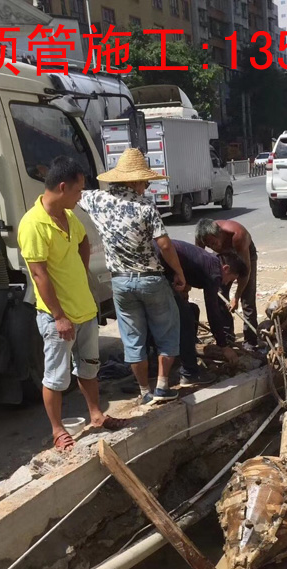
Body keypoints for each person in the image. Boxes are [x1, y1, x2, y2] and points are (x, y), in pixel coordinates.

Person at [17, 157, 127, 452]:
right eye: (79, 191)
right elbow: (39, 275)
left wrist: (80, 271)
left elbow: (83, 242)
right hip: (59, 317)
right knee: (56, 376)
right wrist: (59, 316)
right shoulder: (32, 225)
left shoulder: (69, 216)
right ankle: (58, 431)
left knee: (89, 367)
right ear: (63, 187)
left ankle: (96, 415)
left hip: (85, 310)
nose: (81, 196)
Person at [78, 149, 186, 405]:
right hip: (150, 279)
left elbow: (73, 197)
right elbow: (166, 245)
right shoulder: (145, 206)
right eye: (145, 182)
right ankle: (162, 385)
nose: (146, 187)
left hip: (120, 282)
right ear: (134, 181)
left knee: (132, 339)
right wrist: (179, 272)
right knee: (167, 332)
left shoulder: (96, 200)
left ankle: (143, 392)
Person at [155, 240, 246, 383]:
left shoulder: (207, 260)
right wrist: (223, 346)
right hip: (157, 272)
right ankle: (189, 372)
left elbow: (186, 266)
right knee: (186, 321)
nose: (227, 283)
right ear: (226, 268)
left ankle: (171, 358)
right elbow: (212, 311)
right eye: (231, 279)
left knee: (187, 311)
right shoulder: (214, 272)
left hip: (148, 268)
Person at [195, 218, 259, 349]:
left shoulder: (238, 235)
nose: (213, 247)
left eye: (214, 242)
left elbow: (245, 272)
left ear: (219, 234)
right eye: (209, 245)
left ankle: (250, 341)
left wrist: (236, 296)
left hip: (243, 255)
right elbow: (198, 259)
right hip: (223, 257)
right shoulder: (202, 237)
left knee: (247, 298)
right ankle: (227, 335)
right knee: (219, 295)